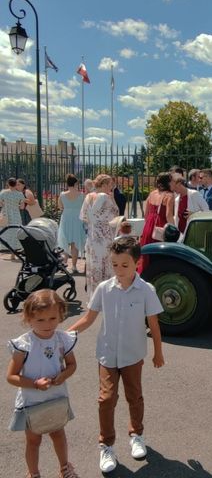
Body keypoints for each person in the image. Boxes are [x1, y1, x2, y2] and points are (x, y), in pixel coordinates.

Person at [67, 237, 165, 474]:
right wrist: (64, 334)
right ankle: (106, 445)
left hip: (133, 355)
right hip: (107, 355)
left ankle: (136, 435)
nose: (119, 270)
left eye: (125, 265)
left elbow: (154, 324)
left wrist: (158, 353)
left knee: (135, 396)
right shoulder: (104, 289)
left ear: (137, 263)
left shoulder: (146, 290)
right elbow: (88, 319)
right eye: (114, 265)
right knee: (106, 399)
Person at [7, 289, 79, 478]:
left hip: (55, 398)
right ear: (29, 319)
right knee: (33, 440)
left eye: (52, 318)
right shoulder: (24, 344)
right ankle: (33, 473)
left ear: (61, 315)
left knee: (58, 435)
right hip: (32, 401)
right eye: (40, 320)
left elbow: (72, 365)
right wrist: (34, 384)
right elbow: (11, 376)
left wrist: (63, 376)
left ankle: (65, 467)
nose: (47, 324)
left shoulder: (62, 339)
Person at [80, 174, 119, 299]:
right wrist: (112, 199)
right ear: (103, 185)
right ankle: (106, 295)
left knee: (94, 266)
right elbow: (115, 214)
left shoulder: (88, 196)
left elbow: (83, 217)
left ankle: (94, 295)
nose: (111, 187)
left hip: (92, 236)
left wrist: (94, 222)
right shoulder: (105, 197)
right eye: (109, 184)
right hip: (104, 235)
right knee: (105, 265)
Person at [137, 172, 175, 273]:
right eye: (171, 180)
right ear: (168, 182)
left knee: (146, 254)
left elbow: (146, 214)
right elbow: (168, 215)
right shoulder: (169, 196)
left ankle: (144, 274)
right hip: (160, 226)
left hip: (149, 225)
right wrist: (174, 229)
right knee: (159, 254)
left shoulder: (152, 193)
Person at [57, 174, 86, 274]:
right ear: (75, 183)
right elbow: (84, 208)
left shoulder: (62, 194)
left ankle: (64, 265)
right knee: (75, 243)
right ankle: (74, 266)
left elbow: (60, 207)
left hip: (66, 218)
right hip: (77, 219)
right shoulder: (81, 195)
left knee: (65, 242)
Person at [0, 177, 26, 258]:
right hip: (15, 215)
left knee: (4, 232)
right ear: (16, 184)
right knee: (15, 233)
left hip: (5, 214)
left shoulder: (3, 193)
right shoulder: (20, 194)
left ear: (8, 184)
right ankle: (13, 253)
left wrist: (5, 205)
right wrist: (15, 205)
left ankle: (6, 248)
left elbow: (0, 204)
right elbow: (22, 207)